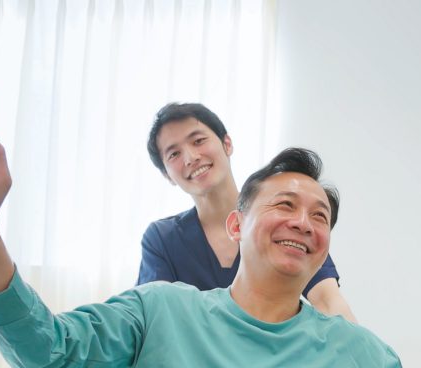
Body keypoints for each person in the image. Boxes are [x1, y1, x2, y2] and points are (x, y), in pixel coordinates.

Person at [139, 102, 357, 321]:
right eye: (174, 154)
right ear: (167, 175)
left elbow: (328, 300)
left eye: (198, 141)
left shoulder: (284, 224)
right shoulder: (163, 238)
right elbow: (154, 313)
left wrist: (364, 352)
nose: (190, 157)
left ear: (227, 144)